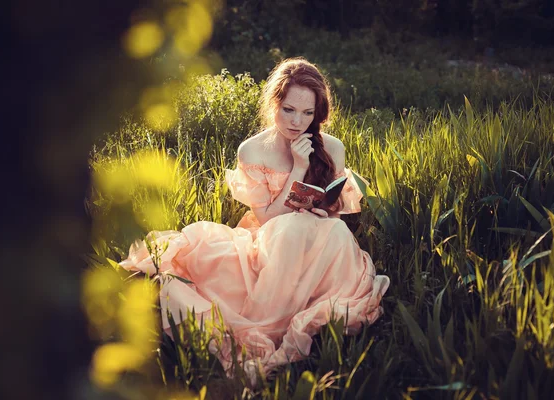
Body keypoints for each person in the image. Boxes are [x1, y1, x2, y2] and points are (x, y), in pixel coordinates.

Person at [120, 57, 390, 384]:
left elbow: (336, 205)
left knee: (334, 228)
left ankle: (309, 307)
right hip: (272, 237)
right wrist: (299, 168)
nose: (297, 122)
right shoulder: (252, 150)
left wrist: (325, 209)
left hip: (318, 236)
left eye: (308, 113)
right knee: (291, 227)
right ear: (274, 103)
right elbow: (268, 218)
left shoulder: (332, 146)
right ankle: (267, 326)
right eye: (289, 110)